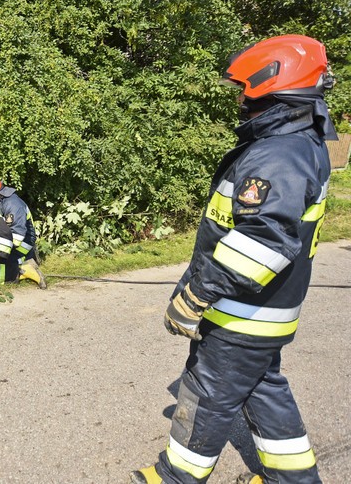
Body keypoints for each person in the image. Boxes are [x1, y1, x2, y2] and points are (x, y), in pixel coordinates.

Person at [131, 34, 334, 484]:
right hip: (266, 315)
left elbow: (262, 243)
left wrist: (197, 294)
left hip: (242, 315)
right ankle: (296, 479)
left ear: (271, 84)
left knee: (206, 393)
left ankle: (176, 477)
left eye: (245, 88)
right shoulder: (299, 143)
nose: (241, 99)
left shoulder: (278, 155)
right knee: (264, 390)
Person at [0, 173, 47, 289]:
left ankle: (25, 269)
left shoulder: (13, 204)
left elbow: (17, 236)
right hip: (7, 239)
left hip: (22, 243)